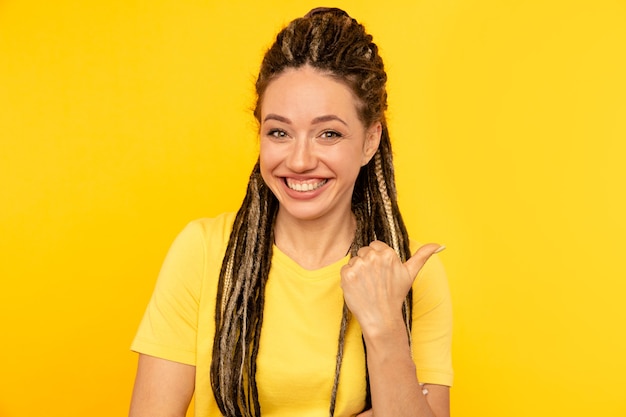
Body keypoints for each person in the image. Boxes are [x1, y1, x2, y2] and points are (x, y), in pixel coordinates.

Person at [129, 7, 452, 417]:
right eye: (279, 132)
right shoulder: (204, 251)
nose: (299, 161)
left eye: (329, 133)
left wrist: (385, 325)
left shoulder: (412, 274)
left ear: (370, 141)